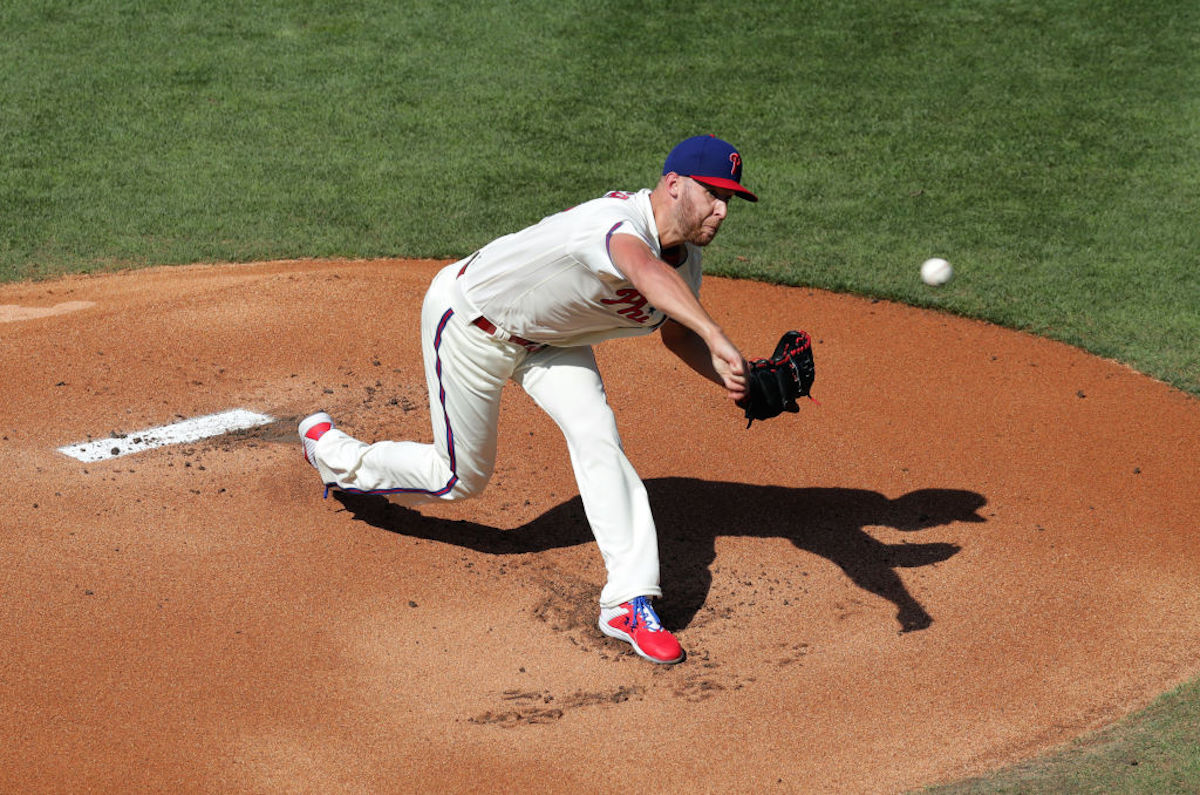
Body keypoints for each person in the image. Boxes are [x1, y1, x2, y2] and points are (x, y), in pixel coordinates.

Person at [299, 135, 758, 664]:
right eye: (713, 194)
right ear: (673, 185)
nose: (722, 210)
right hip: (472, 324)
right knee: (459, 479)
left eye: (730, 200)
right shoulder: (614, 223)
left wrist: (737, 375)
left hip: (551, 342)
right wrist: (717, 332)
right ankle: (335, 456)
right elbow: (643, 271)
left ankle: (628, 601)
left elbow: (677, 334)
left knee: (597, 434)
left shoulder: (687, 261)